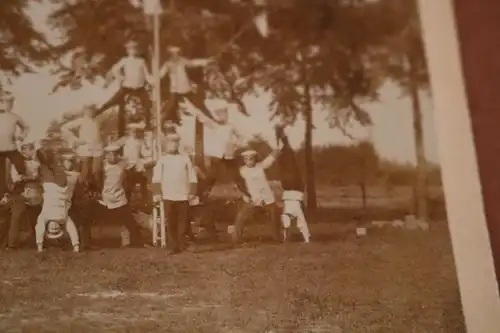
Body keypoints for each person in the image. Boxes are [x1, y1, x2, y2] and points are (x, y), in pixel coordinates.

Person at [152, 133, 198, 254]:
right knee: (171, 221)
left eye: (175, 142)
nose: (173, 145)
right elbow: (156, 177)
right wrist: (157, 192)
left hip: (183, 194)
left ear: (178, 144)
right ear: (166, 145)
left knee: (183, 220)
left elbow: (192, 176)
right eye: (170, 142)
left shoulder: (185, 158)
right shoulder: (162, 159)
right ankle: (174, 245)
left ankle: (183, 243)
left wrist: (192, 191)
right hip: (168, 194)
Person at [95, 142, 146, 248]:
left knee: (129, 220)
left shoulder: (123, 162)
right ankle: (88, 242)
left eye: (115, 154)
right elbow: (97, 179)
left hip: (119, 196)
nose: (113, 157)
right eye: (110, 154)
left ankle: (137, 242)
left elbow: (137, 166)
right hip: (105, 197)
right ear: (106, 155)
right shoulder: (102, 165)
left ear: (118, 154)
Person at [96, 40, 152, 132]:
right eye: (130, 49)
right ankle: (100, 111)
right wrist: (120, 77)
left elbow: (146, 74)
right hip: (127, 87)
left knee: (147, 103)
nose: (133, 51)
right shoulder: (125, 60)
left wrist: (151, 81)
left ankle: (148, 124)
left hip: (139, 87)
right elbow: (115, 69)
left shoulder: (141, 61)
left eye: (134, 49)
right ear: (127, 51)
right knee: (115, 100)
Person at [232, 147, 282, 244]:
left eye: (251, 158)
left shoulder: (261, 167)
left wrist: (278, 147)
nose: (249, 161)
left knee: (274, 215)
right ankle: (236, 240)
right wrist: (244, 195)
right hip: (253, 199)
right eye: (246, 159)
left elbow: (271, 158)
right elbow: (238, 186)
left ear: (255, 159)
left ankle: (277, 238)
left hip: (267, 198)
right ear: (244, 160)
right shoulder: (242, 171)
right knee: (240, 217)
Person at [34, 149, 80, 253]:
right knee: (58, 168)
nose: (54, 227)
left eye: (51, 230)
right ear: (61, 228)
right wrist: (76, 247)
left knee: (45, 166)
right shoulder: (64, 218)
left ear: (47, 229)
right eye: (56, 230)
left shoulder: (43, 217)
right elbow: (72, 231)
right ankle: (56, 157)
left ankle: (47, 155)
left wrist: (39, 247)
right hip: (61, 187)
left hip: (49, 186)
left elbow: (39, 229)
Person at [2, 138, 43, 250]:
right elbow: (16, 179)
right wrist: (31, 178)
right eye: (25, 150)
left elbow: (38, 177)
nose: (27, 152)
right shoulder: (18, 163)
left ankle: (39, 239)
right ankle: (12, 244)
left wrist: (29, 178)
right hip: (22, 193)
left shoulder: (36, 164)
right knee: (17, 216)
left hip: (34, 193)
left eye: (29, 149)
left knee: (36, 217)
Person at [159, 45, 217, 125]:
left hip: (185, 88)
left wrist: (206, 61)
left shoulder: (182, 61)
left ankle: (213, 119)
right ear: (170, 54)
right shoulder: (168, 64)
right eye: (173, 53)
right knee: (169, 107)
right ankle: (159, 123)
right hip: (175, 90)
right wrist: (154, 78)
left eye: (176, 53)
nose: (175, 55)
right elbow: (161, 74)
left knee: (199, 104)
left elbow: (193, 63)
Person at [275, 122, 311, 243]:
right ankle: (280, 134)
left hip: (291, 191)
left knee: (286, 160)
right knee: (286, 160)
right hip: (292, 191)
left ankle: (280, 133)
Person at [201, 103, 245, 200]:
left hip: (228, 154)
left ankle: (244, 192)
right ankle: (204, 194)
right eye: (219, 114)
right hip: (216, 154)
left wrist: (235, 145)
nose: (222, 116)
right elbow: (203, 119)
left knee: (236, 175)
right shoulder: (214, 125)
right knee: (212, 175)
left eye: (224, 114)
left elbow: (241, 136)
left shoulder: (230, 126)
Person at [61, 104, 103, 193]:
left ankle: (93, 190)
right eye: (88, 110)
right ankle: (81, 191)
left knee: (96, 171)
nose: (90, 112)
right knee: (84, 170)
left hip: (96, 150)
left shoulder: (97, 121)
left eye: (92, 110)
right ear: (85, 111)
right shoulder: (81, 121)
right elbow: (64, 128)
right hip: (85, 149)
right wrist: (75, 140)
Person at [0, 90, 30, 202]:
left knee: (20, 164)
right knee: (1, 173)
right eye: (7, 102)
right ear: (1, 102)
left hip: (11, 147)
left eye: (11, 102)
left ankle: (21, 190)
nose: (10, 104)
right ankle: (2, 197)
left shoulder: (15, 117)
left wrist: (20, 137)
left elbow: (26, 127)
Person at [114, 123, 149, 204]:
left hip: (136, 165)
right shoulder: (125, 140)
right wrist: (119, 157)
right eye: (132, 131)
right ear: (129, 131)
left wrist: (145, 158)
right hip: (127, 165)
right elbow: (115, 145)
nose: (134, 133)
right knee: (128, 184)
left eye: (135, 131)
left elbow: (144, 153)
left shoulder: (140, 142)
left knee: (143, 181)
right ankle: (126, 201)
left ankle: (144, 201)